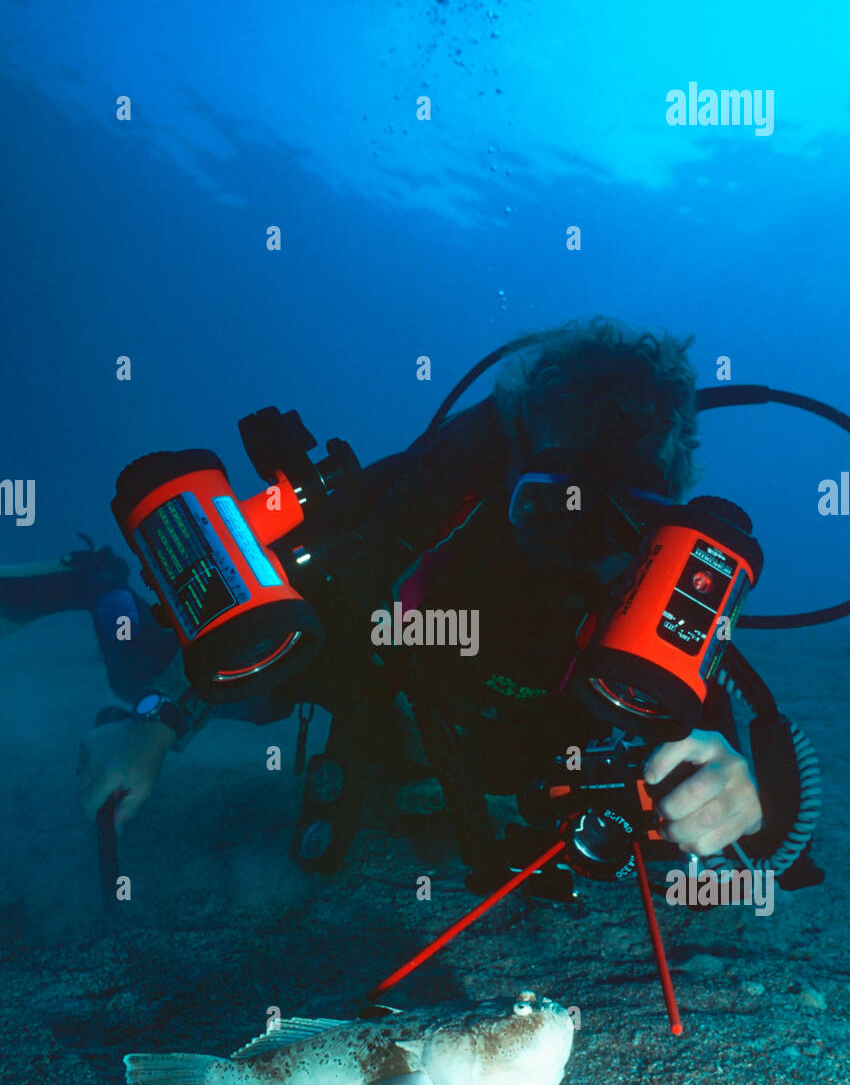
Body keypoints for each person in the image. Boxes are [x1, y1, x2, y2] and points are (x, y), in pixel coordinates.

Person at [2, 318, 814, 893]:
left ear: (665, 515)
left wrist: (737, 801)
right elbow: (243, 614)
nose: (584, 548)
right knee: (152, 669)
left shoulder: (677, 597)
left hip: (492, 743)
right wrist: (154, 720)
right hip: (370, 678)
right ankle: (94, 577)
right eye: (549, 505)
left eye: (622, 520)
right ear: (510, 470)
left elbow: (757, 816)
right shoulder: (412, 512)